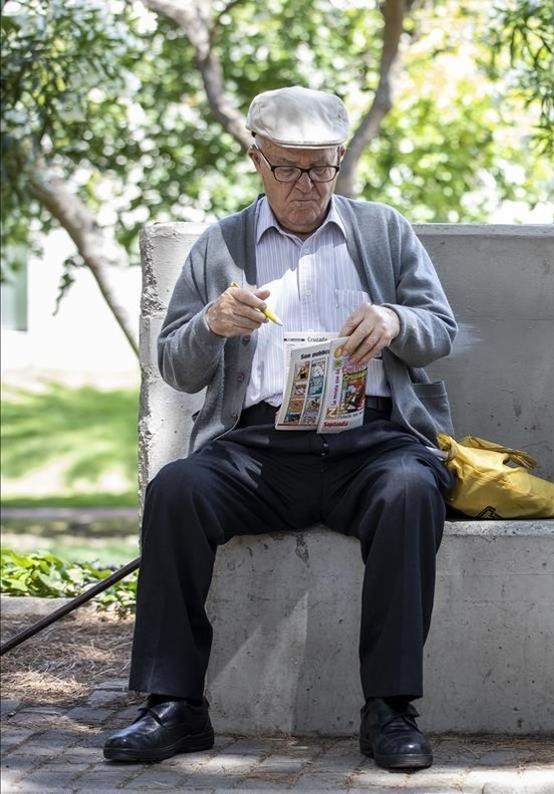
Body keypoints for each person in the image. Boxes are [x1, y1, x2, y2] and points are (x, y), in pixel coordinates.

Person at [103, 86, 456, 771]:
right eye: (288, 168)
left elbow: (438, 329)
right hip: (260, 447)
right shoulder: (222, 245)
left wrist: (393, 321)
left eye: (321, 168)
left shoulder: (382, 230)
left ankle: (390, 710)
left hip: (371, 442)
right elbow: (175, 364)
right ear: (255, 161)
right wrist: (209, 324)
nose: (306, 185)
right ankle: (173, 706)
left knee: (411, 492)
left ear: (341, 159)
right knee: (177, 490)